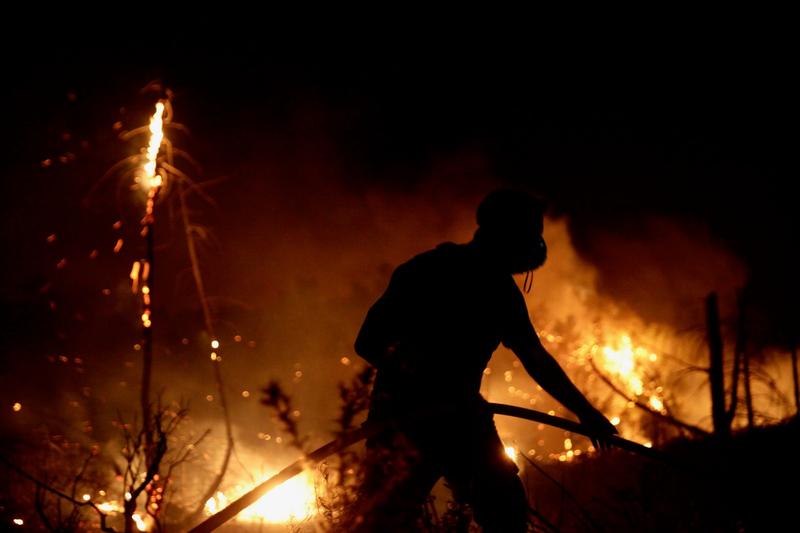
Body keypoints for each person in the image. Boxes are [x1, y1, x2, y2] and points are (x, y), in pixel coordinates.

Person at [352, 189, 617, 532]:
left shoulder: (500, 291)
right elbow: (368, 342)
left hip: (463, 418)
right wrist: (417, 380)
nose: (536, 242)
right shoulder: (424, 272)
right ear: (503, 232)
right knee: (382, 522)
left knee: (506, 513)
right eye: (529, 233)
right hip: (403, 421)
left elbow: (535, 358)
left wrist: (587, 414)